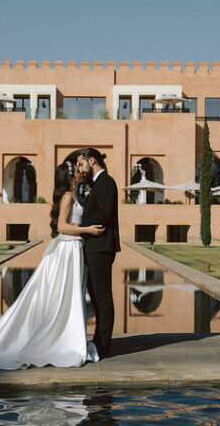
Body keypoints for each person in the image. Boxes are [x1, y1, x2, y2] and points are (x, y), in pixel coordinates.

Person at [0, 159, 103, 369]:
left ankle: (65, 336)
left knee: (67, 295)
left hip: (73, 250)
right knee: (60, 295)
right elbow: (61, 227)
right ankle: (57, 340)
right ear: (70, 177)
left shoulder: (76, 194)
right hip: (67, 251)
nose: (81, 173)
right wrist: (87, 230)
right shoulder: (68, 196)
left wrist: (79, 226)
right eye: (78, 171)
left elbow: (68, 223)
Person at [76, 148, 120, 359]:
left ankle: (104, 345)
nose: (80, 169)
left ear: (91, 160)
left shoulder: (107, 182)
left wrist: (83, 225)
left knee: (102, 298)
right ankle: (99, 340)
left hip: (101, 246)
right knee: (95, 296)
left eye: (81, 164)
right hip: (94, 246)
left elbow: (105, 213)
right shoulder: (97, 184)